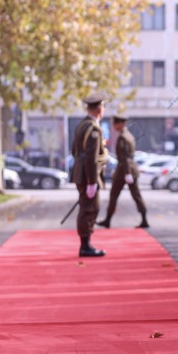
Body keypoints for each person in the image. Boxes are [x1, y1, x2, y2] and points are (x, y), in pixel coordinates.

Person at [71, 93, 108, 257]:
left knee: (88, 207)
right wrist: (92, 182)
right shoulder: (93, 128)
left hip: (81, 173)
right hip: (88, 175)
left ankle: (85, 244)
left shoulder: (82, 125)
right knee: (89, 208)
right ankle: (85, 246)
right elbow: (92, 158)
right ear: (99, 108)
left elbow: (74, 151)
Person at [97, 114, 148, 229]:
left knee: (114, 195)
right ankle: (144, 219)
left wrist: (127, 173)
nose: (114, 126)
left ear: (120, 124)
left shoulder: (123, 137)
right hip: (129, 169)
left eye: (115, 123)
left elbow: (124, 157)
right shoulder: (128, 135)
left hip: (124, 170)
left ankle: (108, 220)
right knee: (136, 195)